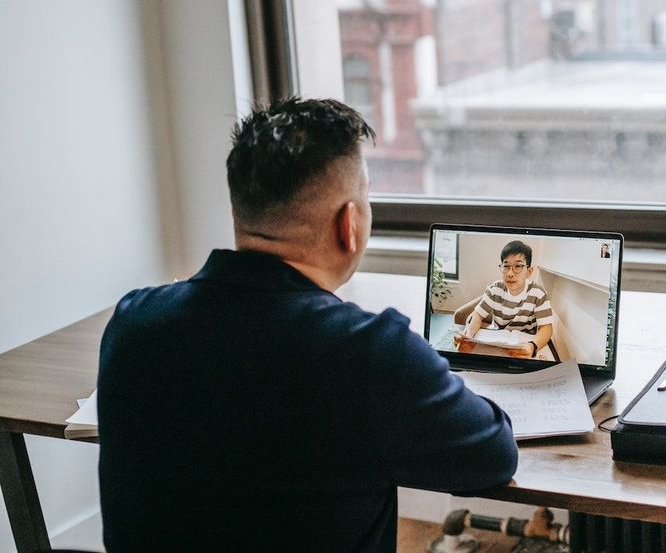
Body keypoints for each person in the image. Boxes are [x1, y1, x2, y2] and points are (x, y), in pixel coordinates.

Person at [97, 98, 517, 552]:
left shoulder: (134, 321)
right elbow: (494, 454)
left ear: (241, 211)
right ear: (349, 224)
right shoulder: (372, 353)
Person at [454, 240, 555, 360]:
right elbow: (477, 315)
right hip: (496, 342)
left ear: (529, 271)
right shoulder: (494, 289)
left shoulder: (538, 293)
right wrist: (468, 337)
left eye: (518, 266)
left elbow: (547, 328)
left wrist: (532, 346)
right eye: (506, 266)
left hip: (524, 345)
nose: (510, 273)